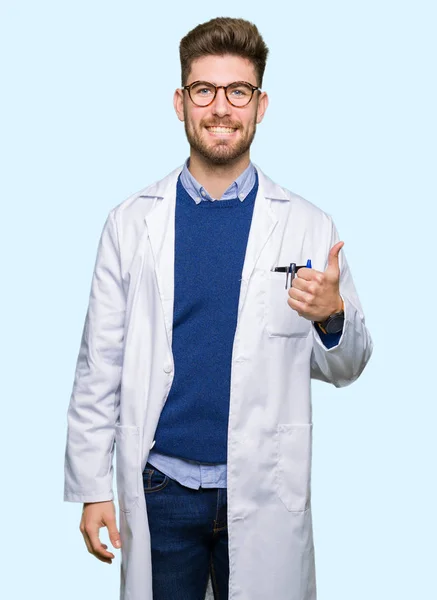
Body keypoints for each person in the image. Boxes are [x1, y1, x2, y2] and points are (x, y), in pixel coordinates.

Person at [64, 16, 373, 600]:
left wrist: (332, 316)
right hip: (162, 488)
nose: (221, 108)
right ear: (181, 102)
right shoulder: (130, 223)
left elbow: (349, 365)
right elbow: (97, 363)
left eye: (238, 92)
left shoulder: (308, 225)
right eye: (204, 90)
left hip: (261, 485)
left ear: (261, 105)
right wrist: (91, 486)